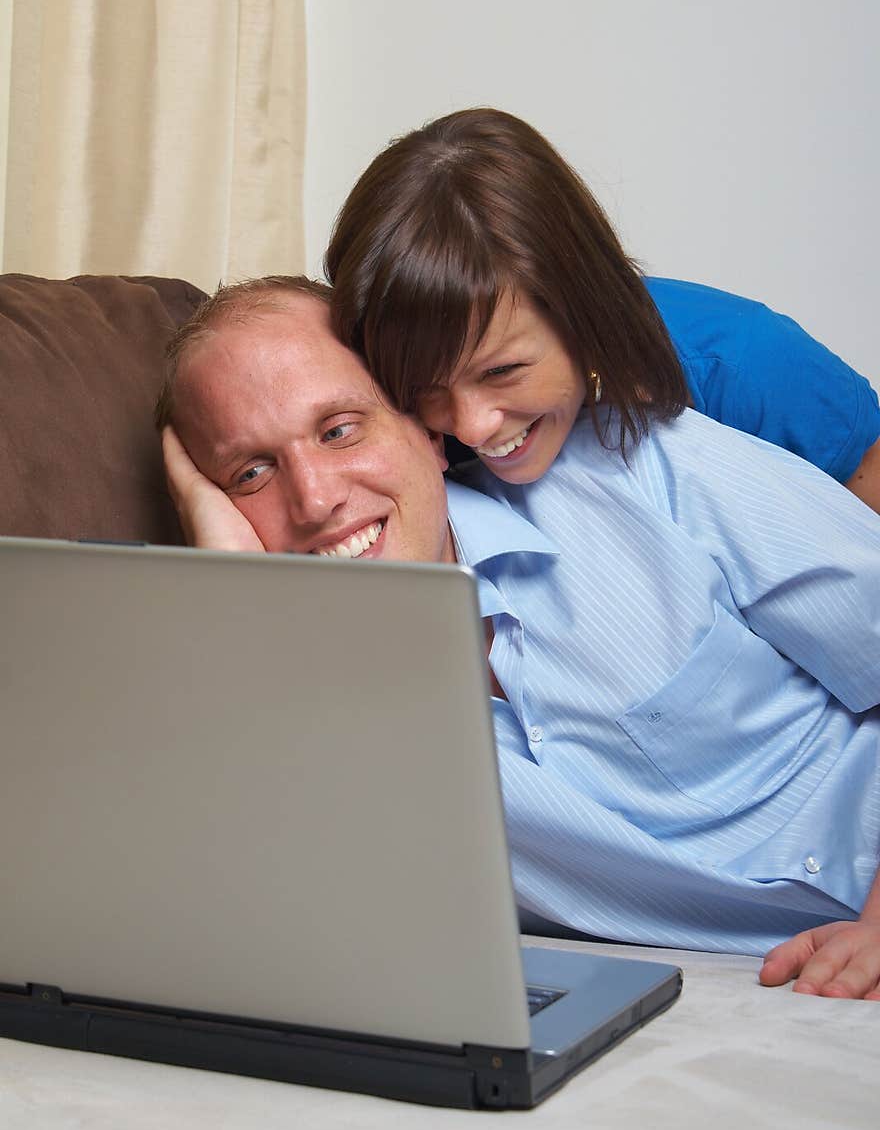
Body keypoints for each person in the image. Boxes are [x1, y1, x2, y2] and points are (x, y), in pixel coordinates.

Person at [157, 276, 880, 1000]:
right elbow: (243, 933)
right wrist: (235, 600)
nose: (314, 500)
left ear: (427, 426)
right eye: (251, 473)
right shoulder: (304, 731)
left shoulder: (640, 466)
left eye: (339, 429)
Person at [324, 107, 880, 511]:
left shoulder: (745, 364)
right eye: (425, 388)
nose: (470, 426)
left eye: (501, 371)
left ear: (581, 307)